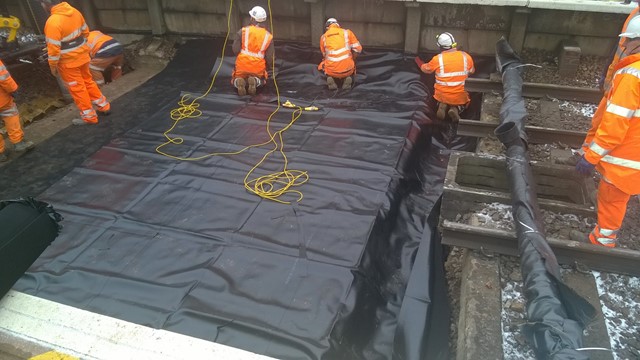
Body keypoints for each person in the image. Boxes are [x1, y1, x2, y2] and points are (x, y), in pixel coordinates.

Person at [576, 16, 640, 248]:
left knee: (612, 198)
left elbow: (614, 124)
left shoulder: (632, 75)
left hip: (629, 158)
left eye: (629, 41)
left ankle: (603, 241)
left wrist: (590, 157)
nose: (624, 46)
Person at [40, 0, 110, 125]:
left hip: (68, 63)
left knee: (77, 89)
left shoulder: (52, 22)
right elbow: (85, 33)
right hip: (83, 56)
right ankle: (103, 106)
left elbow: (54, 50)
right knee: (88, 81)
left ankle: (89, 117)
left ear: (46, 4)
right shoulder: (74, 12)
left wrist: (53, 66)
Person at [417, 32, 474, 123]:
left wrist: (420, 63)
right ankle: (455, 109)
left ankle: (442, 105)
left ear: (440, 46)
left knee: (442, 97)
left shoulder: (437, 59)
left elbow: (426, 69)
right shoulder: (465, 56)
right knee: (463, 102)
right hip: (460, 96)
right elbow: (472, 71)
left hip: (442, 95)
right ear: (453, 44)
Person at [232, 6, 274, 96]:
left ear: (252, 18)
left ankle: (238, 81)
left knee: (235, 78)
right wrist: (268, 67)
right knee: (262, 80)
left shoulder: (242, 31)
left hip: (242, 64)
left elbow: (235, 49)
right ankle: (255, 80)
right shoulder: (268, 36)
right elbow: (270, 57)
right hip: (258, 67)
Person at [0, 59, 34, 162]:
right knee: (10, 114)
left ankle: (1, 153)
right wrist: (13, 89)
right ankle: (18, 142)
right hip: (2, 99)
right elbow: (3, 77)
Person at [318, 18, 362, 90]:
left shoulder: (323, 37)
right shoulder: (347, 32)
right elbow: (358, 49)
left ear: (327, 27)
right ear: (337, 24)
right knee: (349, 64)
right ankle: (348, 77)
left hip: (331, 71)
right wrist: (352, 59)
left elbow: (324, 55)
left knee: (323, 64)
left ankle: (330, 77)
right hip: (348, 69)